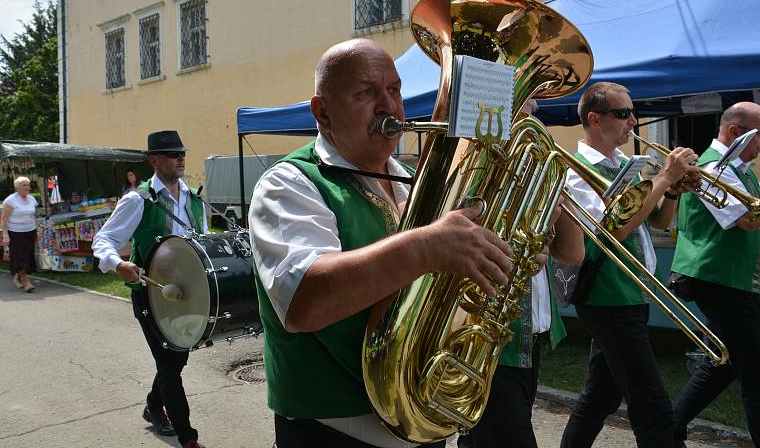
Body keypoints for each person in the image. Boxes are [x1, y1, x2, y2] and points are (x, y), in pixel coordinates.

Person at [249, 38, 523, 448]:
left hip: (424, 423)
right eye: (366, 93)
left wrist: (499, 254)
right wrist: (426, 246)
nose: (390, 107)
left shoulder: (416, 183)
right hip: (329, 436)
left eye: (394, 90)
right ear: (322, 112)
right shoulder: (290, 183)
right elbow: (305, 300)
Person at [559, 82, 698, 448]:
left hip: (632, 290)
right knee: (652, 405)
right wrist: (665, 176)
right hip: (607, 293)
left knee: (601, 397)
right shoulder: (576, 172)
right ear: (595, 119)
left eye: (632, 113)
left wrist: (672, 191)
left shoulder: (627, 165)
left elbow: (656, 222)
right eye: (623, 114)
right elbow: (613, 231)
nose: (633, 122)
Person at [457, 100, 585, 448]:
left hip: (527, 341)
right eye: (521, 104)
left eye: (531, 107)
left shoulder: (533, 173)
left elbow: (573, 254)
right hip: (487, 338)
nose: (533, 110)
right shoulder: (473, 171)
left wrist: (558, 193)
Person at [92, 130, 207, 448]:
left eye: (182, 152)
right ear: (154, 160)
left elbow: (204, 245)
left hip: (187, 293)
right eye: (173, 154)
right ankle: (188, 439)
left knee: (177, 358)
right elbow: (104, 240)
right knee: (170, 366)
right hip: (151, 294)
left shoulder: (194, 199)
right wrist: (118, 264)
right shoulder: (138, 199)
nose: (180, 158)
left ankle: (154, 406)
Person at [671, 102, 760, 446]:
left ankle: (671, 425)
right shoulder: (712, 166)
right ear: (738, 132)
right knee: (754, 370)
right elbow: (747, 220)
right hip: (715, 276)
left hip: (732, 279)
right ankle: (670, 425)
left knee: (723, 362)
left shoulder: (743, 170)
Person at [0, 177, 39, 293]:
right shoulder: (10, 200)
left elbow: (33, 216)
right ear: (17, 187)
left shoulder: (32, 199)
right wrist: (5, 235)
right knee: (20, 257)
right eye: (24, 185)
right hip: (16, 233)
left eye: (28, 185)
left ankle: (17, 277)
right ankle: (26, 281)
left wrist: (37, 231)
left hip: (30, 232)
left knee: (27, 256)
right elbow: (3, 219)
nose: (27, 187)